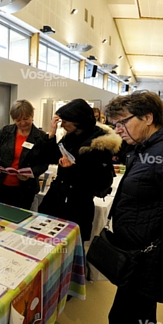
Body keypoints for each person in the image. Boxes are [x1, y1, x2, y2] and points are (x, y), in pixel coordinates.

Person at [104, 91, 163, 324]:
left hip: (150, 259)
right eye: (115, 125)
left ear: (147, 117)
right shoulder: (150, 146)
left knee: (127, 322)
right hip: (138, 257)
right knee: (134, 320)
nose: (118, 130)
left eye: (123, 122)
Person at [38, 99, 121, 239]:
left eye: (65, 121)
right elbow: (51, 157)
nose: (62, 125)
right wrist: (51, 134)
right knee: (47, 238)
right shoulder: (70, 136)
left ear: (78, 120)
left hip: (78, 204)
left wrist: (74, 168)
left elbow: (102, 180)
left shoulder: (100, 142)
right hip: (56, 197)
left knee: (72, 244)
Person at [0, 100, 52, 210]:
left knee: (18, 221)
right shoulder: (5, 131)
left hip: (24, 189)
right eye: (18, 120)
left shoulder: (41, 137)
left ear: (32, 115)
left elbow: (43, 164)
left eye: (26, 119)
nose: (22, 123)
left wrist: (30, 174)